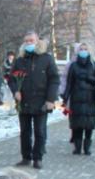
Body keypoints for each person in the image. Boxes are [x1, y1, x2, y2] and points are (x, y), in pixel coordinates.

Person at [6, 31, 59, 169]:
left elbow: (54, 79)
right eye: (26, 41)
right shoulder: (19, 60)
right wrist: (15, 91)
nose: (29, 43)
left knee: (40, 131)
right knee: (24, 131)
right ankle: (26, 157)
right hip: (24, 101)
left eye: (31, 40)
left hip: (41, 101)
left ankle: (38, 157)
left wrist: (50, 99)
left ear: (37, 41)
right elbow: (11, 79)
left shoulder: (46, 59)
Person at [62, 42, 95, 156]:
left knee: (89, 124)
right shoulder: (73, 66)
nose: (83, 51)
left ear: (89, 51)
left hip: (90, 98)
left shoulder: (94, 65)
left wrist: (90, 78)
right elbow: (69, 83)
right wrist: (65, 97)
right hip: (76, 98)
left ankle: (87, 148)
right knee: (77, 124)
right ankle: (77, 147)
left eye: (85, 49)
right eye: (81, 49)